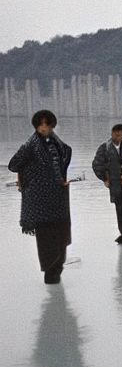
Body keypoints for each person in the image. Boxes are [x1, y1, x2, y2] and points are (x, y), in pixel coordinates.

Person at [8, 110, 72, 284]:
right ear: (36, 126)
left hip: (57, 196)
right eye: (41, 124)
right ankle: (51, 274)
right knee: (46, 238)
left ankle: (58, 268)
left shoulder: (56, 142)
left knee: (60, 234)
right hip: (39, 199)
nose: (44, 128)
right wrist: (30, 175)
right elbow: (14, 164)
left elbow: (64, 158)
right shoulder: (31, 145)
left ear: (52, 125)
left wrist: (62, 178)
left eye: (47, 124)